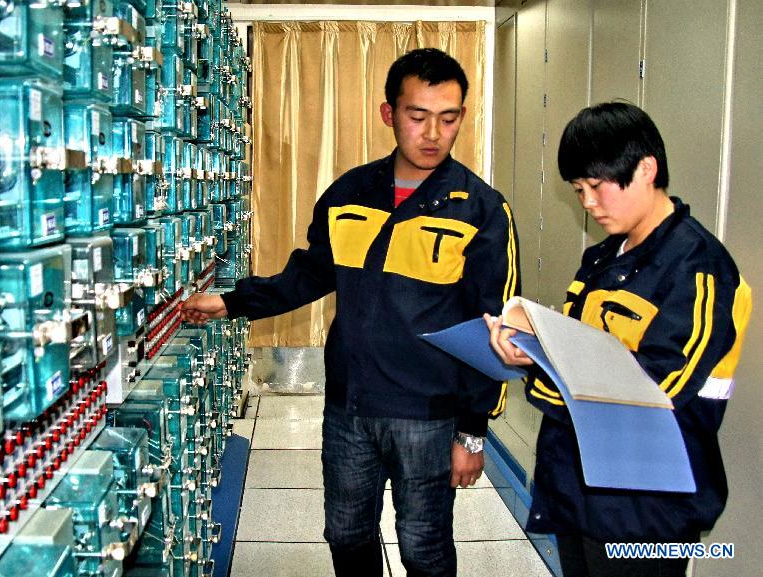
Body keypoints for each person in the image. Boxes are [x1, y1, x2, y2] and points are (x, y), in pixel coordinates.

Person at [182, 48, 520, 577]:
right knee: (345, 534)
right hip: (350, 408)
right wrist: (228, 302)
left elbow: (493, 328)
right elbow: (307, 276)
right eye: (417, 116)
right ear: (389, 114)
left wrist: (472, 434)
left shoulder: (479, 208)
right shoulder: (348, 194)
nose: (433, 133)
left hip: (429, 415)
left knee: (423, 546)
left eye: (449, 118)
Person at [486, 102, 752, 577]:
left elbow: (656, 389)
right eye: (578, 189)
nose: (587, 203)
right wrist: (526, 346)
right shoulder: (605, 257)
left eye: (596, 186)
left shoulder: (698, 266)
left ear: (646, 169)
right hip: (581, 488)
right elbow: (581, 345)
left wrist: (545, 374)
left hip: (646, 507)